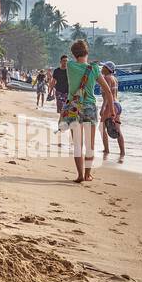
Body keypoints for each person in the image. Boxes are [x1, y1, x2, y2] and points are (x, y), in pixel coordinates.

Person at [61, 38, 114, 183]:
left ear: (73, 54)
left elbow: (66, 63)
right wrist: (113, 111)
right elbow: (108, 92)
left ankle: (79, 175)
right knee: (90, 144)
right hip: (89, 107)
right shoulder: (95, 69)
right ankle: (87, 175)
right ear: (87, 52)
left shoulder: (70, 66)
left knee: (78, 144)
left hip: (74, 107)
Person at [100, 61, 125, 161]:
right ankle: (122, 152)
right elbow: (115, 94)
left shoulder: (106, 78)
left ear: (107, 69)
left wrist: (103, 107)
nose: (101, 68)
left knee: (101, 127)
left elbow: (108, 94)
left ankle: (106, 149)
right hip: (117, 105)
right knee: (117, 129)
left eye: (103, 67)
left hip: (111, 105)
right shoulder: (114, 78)